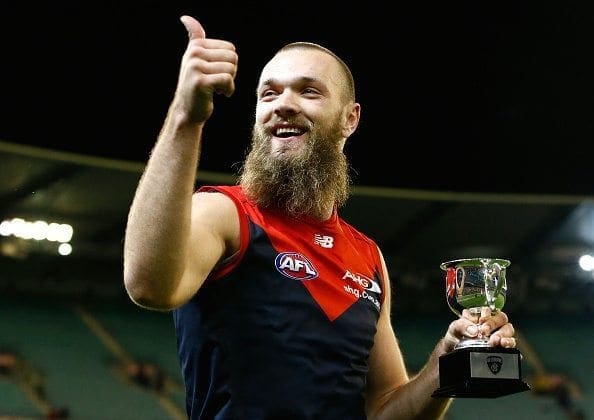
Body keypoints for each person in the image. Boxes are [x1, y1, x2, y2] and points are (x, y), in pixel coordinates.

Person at [123, 15, 519, 419]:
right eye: (268, 94)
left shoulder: (367, 257)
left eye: (309, 91)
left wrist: (443, 363)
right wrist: (185, 118)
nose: (284, 104)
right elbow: (149, 285)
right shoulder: (226, 213)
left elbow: (384, 409)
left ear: (350, 118)